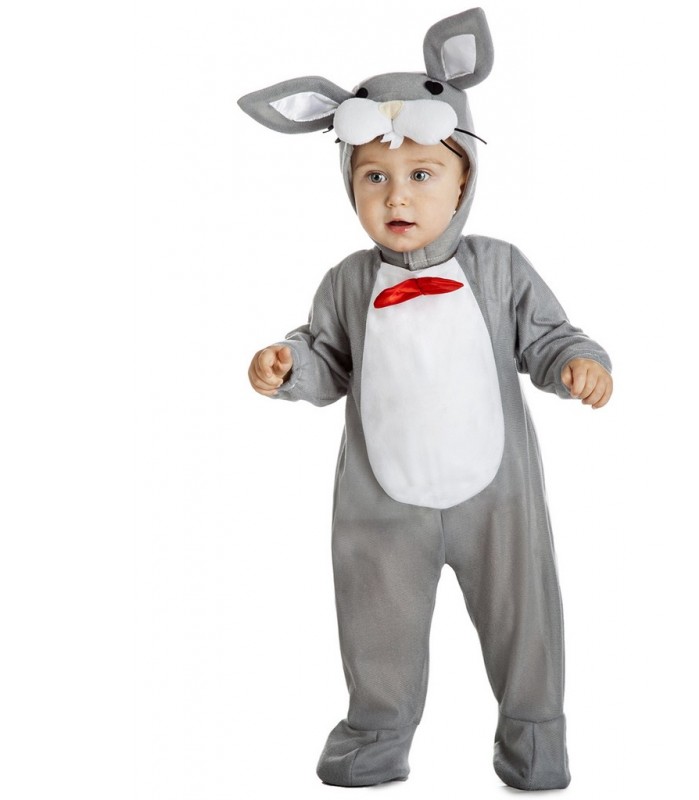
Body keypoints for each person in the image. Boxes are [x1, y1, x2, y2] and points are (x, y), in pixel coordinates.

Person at [241, 8, 612, 791]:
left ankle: (534, 740)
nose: (397, 196)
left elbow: (548, 336)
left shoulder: (499, 268)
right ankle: (376, 735)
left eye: (421, 174)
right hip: (380, 503)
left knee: (525, 619)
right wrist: (288, 365)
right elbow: (326, 357)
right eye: (374, 177)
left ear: (463, 179)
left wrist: (578, 363)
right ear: (349, 186)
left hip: (498, 500)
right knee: (376, 623)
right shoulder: (347, 282)